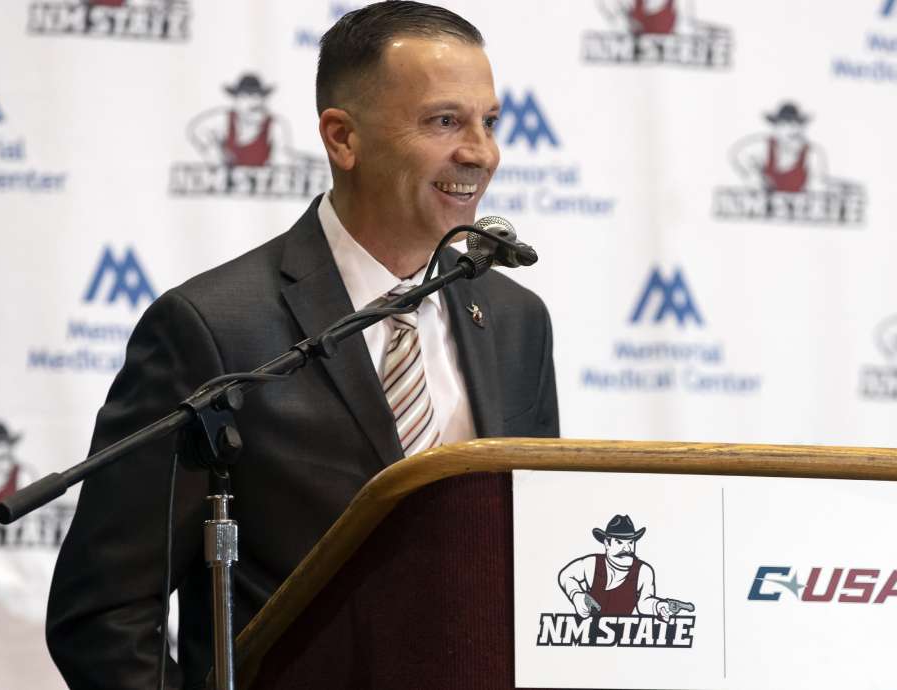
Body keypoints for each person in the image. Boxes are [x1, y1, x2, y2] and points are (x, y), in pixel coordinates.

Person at [45, 3, 559, 688]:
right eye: (444, 122)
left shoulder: (518, 321)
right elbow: (102, 616)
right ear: (342, 138)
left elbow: (534, 562)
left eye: (489, 122)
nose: (480, 153)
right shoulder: (211, 328)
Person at [557, 515, 691, 621]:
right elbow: (565, 576)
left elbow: (644, 603)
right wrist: (576, 595)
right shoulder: (592, 564)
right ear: (607, 543)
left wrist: (659, 606)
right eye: (619, 542)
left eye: (631, 542)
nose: (627, 548)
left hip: (622, 637)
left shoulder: (643, 571)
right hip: (587, 637)